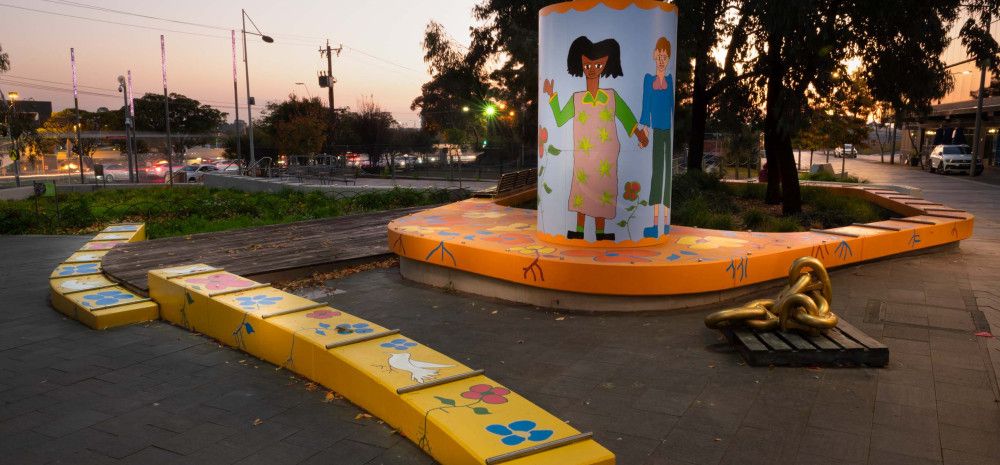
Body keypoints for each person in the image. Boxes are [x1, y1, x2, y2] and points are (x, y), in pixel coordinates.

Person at [544, 36, 648, 241]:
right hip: (583, 158)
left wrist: (640, 134)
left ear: (606, 64)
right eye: (587, 64)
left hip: (606, 157)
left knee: (603, 192)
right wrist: (551, 95)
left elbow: (627, 117)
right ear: (580, 64)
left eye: (598, 64)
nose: (592, 68)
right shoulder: (577, 98)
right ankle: (579, 231)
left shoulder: (610, 96)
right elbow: (560, 119)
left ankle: (600, 233)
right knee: (581, 190)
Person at [637, 37, 674, 238]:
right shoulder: (648, 80)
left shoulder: (669, 81)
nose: (661, 60)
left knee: (667, 174)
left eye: (665, 57)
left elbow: (672, 108)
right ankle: (654, 224)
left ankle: (666, 223)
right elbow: (646, 107)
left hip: (668, 132)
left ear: (668, 59)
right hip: (658, 132)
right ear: (654, 55)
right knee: (657, 174)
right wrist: (644, 130)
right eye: (659, 56)